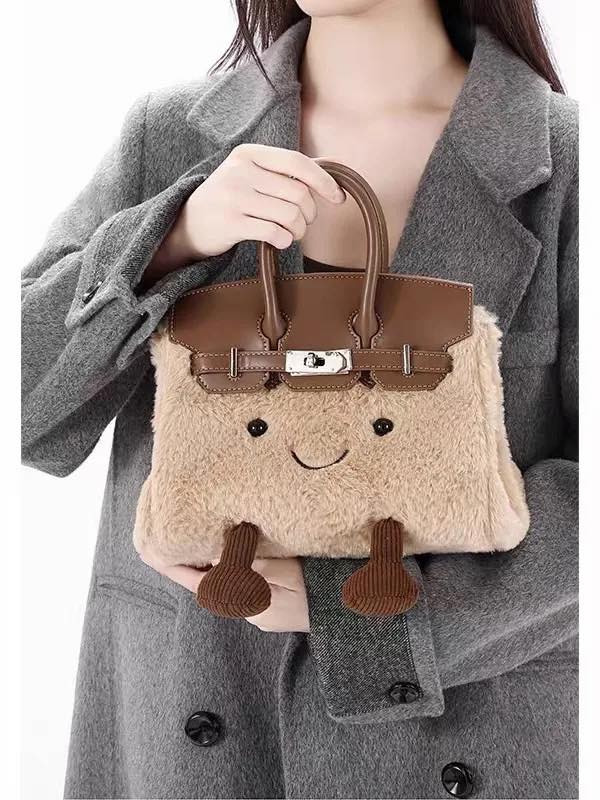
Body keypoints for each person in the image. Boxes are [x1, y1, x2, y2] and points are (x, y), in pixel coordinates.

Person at [21, 1, 578, 798]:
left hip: (457, 731)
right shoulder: (172, 136)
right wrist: (169, 240)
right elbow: (27, 407)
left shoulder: (567, 164)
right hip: (189, 729)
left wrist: (369, 622)